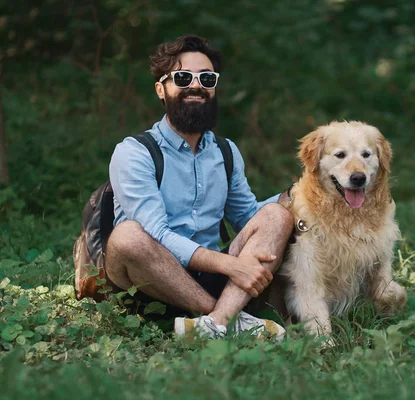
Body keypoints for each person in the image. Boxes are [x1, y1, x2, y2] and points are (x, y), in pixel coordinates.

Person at [104, 34, 293, 340]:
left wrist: (293, 197)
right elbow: (156, 234)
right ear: (161, 89)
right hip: (150, 279)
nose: (196, 85)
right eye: (182, 77)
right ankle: (229, 320)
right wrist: (231, 265)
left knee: (277, 215)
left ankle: (214, 324)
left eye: (206, 78)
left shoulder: (226, 151)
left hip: (213, 277)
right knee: (128, 237)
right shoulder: (134, 152)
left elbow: (247, 216)